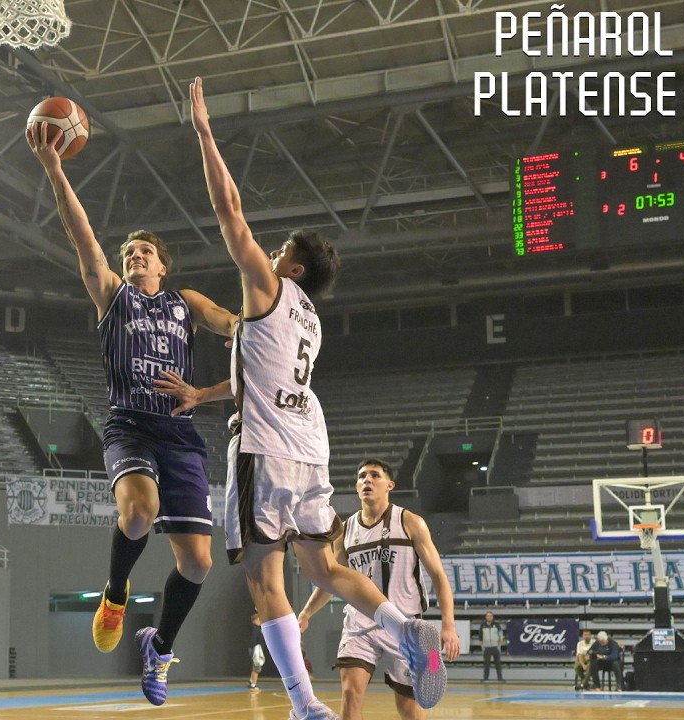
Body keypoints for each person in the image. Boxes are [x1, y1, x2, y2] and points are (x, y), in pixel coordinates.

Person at [180, 76, 447, 718]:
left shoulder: (268, 286)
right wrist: (190, 321)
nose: (269, 252)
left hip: (266, 449)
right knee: (325, 570)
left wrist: (205, 133)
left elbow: (229, 211)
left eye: (280, 252)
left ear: (292, 268)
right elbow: (237, 338)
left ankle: (304, 705)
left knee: (262, 578)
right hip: (310, 447)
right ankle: (406, 629)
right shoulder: (309, 320)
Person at [27, 117, 239, 708]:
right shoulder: (113, 295)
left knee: (198, 564)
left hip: (181, 434)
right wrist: (55, 170)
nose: (135, 256)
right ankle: (116, 591)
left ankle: (159, 647)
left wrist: (252, 334)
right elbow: (83, 237)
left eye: (144, 252)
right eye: (130, 252)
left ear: (162, 266)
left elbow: (233, 323)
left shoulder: (185, 302)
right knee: (139, 513)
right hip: (130, 426)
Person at [296, 459, 462, 720]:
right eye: (362, 476)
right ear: (356, 486)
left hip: (402, 625)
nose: (367, 480)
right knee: (350, 694)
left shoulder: (410, 522)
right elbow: (332, 580)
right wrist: (306, 613)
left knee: (408, 708)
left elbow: (439, 577)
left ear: (389, 485)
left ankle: (426, 658)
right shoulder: (345, 530)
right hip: (359, 625)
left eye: (375, 475)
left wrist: (448, 625)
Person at [478, 612, 505, 682]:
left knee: (498, 664)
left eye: (490, 616)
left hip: (496, 647)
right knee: (486, 664)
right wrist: (482, 647)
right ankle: (485, 678)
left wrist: (499, 645)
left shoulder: (497, 625)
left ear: (492, 617)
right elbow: (480, 638)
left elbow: (501, 635)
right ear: (485, 617)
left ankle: (500, 678)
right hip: (487, 648)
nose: (489, 617)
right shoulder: (482, 625)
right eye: (488, 616)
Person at [248, 611, 266, 690]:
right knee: (257, 667)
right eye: (258, 619)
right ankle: (253, 685)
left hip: (255, 648)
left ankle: (251, 681)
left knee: (254, 666)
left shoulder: (255, 628)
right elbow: (255, 640)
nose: (260, 621)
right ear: (255, 620)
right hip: (256, 649)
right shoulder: (255, 629)